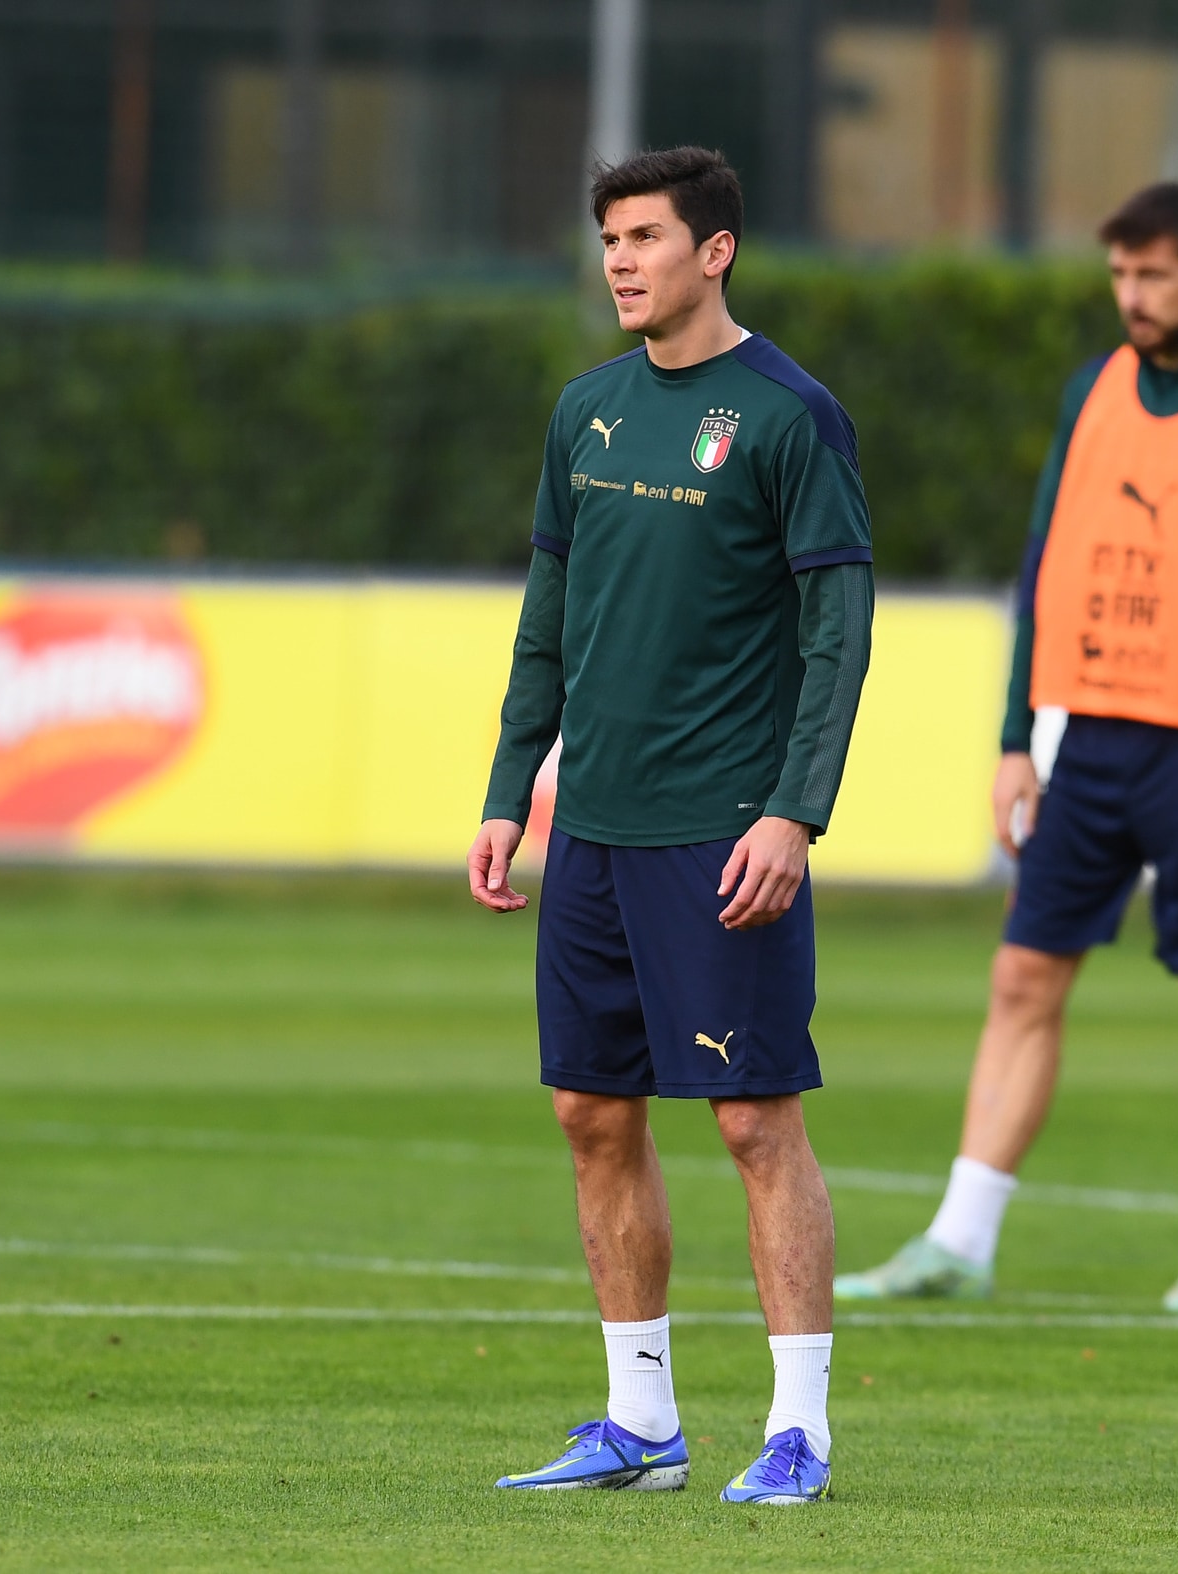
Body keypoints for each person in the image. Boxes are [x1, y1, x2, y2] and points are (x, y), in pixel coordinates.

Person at [835, 183, 1178, 1313]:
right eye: (1119, 275)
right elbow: (1044, 565)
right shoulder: (1093, 390)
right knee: (1021, 975)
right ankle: (959, 1240)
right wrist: (1017, 737)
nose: (1132, 296)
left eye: (1153, 275)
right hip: (1093, 739)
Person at [469, 145, 873, 1502]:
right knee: (591, 1110)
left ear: (716, 251)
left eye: (644, 236)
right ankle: (639, 1421)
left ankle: (800, 1431)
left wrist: (794, 812)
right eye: (609, 240)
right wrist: (509, 789)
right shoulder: (584, 411)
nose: (619, 261)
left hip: (722, 832)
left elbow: (837, 633)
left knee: (755, 1121)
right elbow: (546, 620)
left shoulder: (789, 416)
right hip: (592, 829)